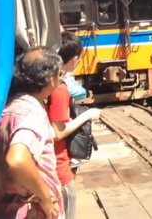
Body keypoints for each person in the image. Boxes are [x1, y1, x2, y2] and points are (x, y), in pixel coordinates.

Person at [0, 48, 64, 219]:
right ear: (51, 79)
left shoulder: (7, 106)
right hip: (33, 212)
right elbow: (17, 160)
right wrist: (45, 197)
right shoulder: (32, 113)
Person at [46, 32, 102, 219]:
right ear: (74, 59)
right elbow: (57, 132)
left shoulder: (45, 83)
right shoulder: (59, 89)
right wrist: (88, 115)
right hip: (59, 168)